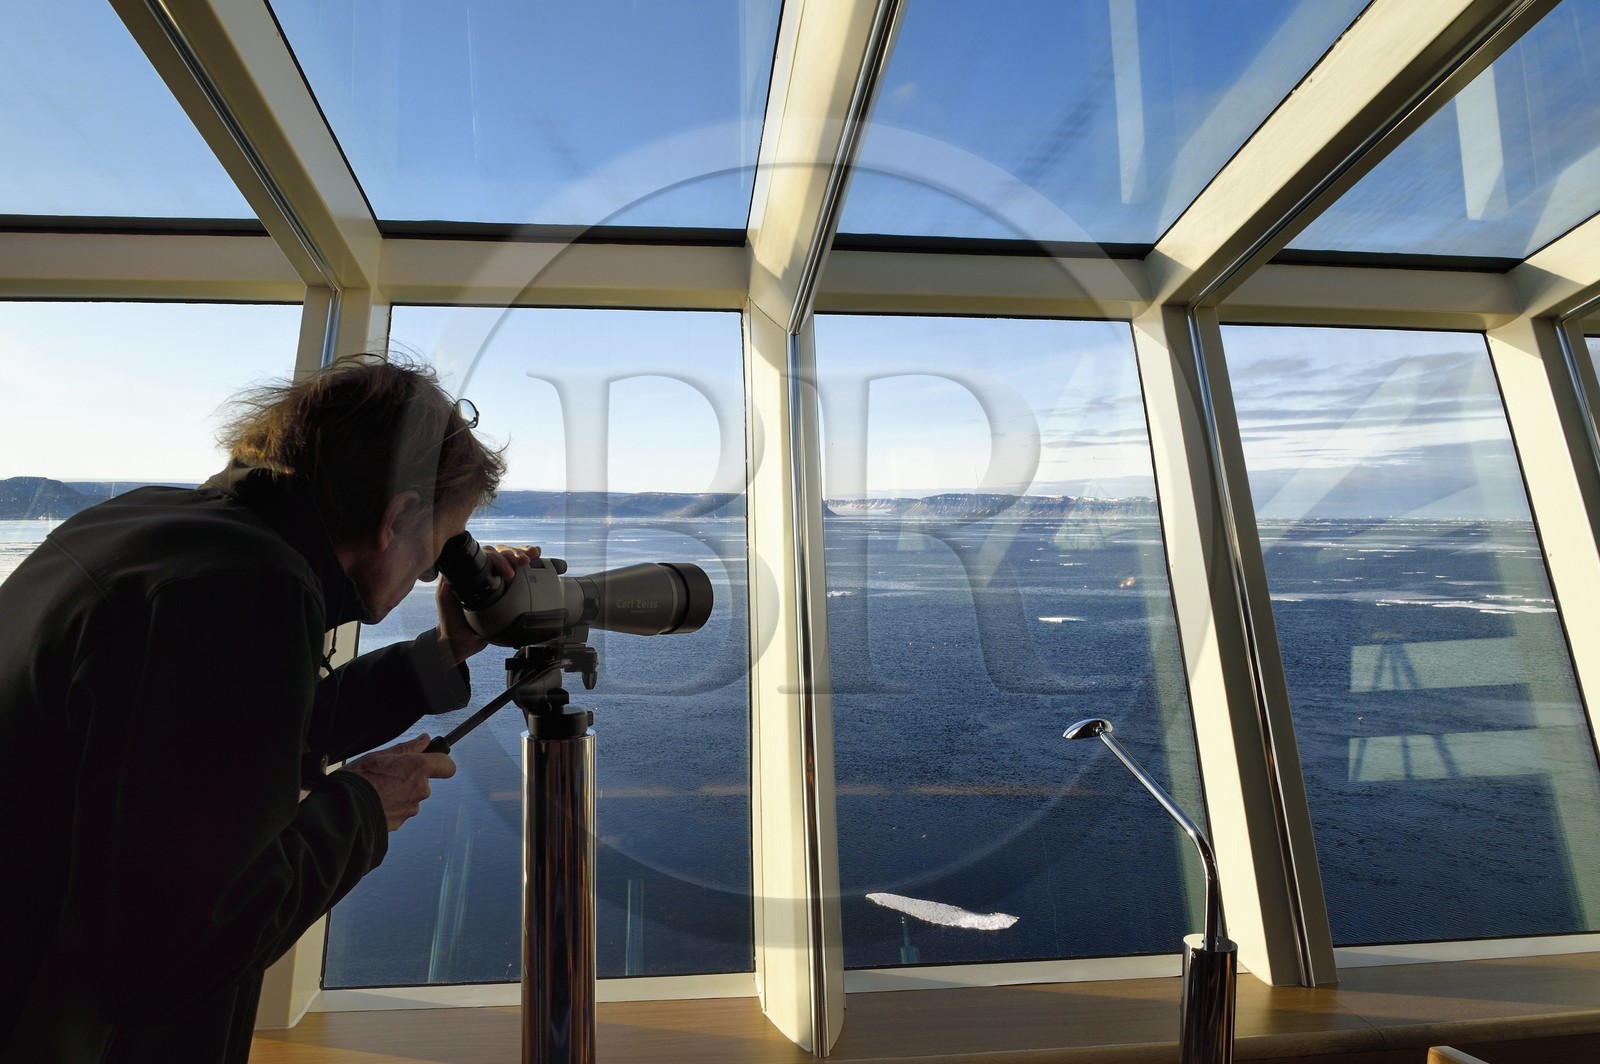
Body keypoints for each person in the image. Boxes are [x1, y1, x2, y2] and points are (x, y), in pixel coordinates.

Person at [0, 357, 528, 1062]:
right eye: (438, 547)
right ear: (397, 516)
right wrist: (362, 810)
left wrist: (445, 650)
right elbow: (176, 949)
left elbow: (229, 742)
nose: (432, 572)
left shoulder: (149, 526)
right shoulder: (245, 587)